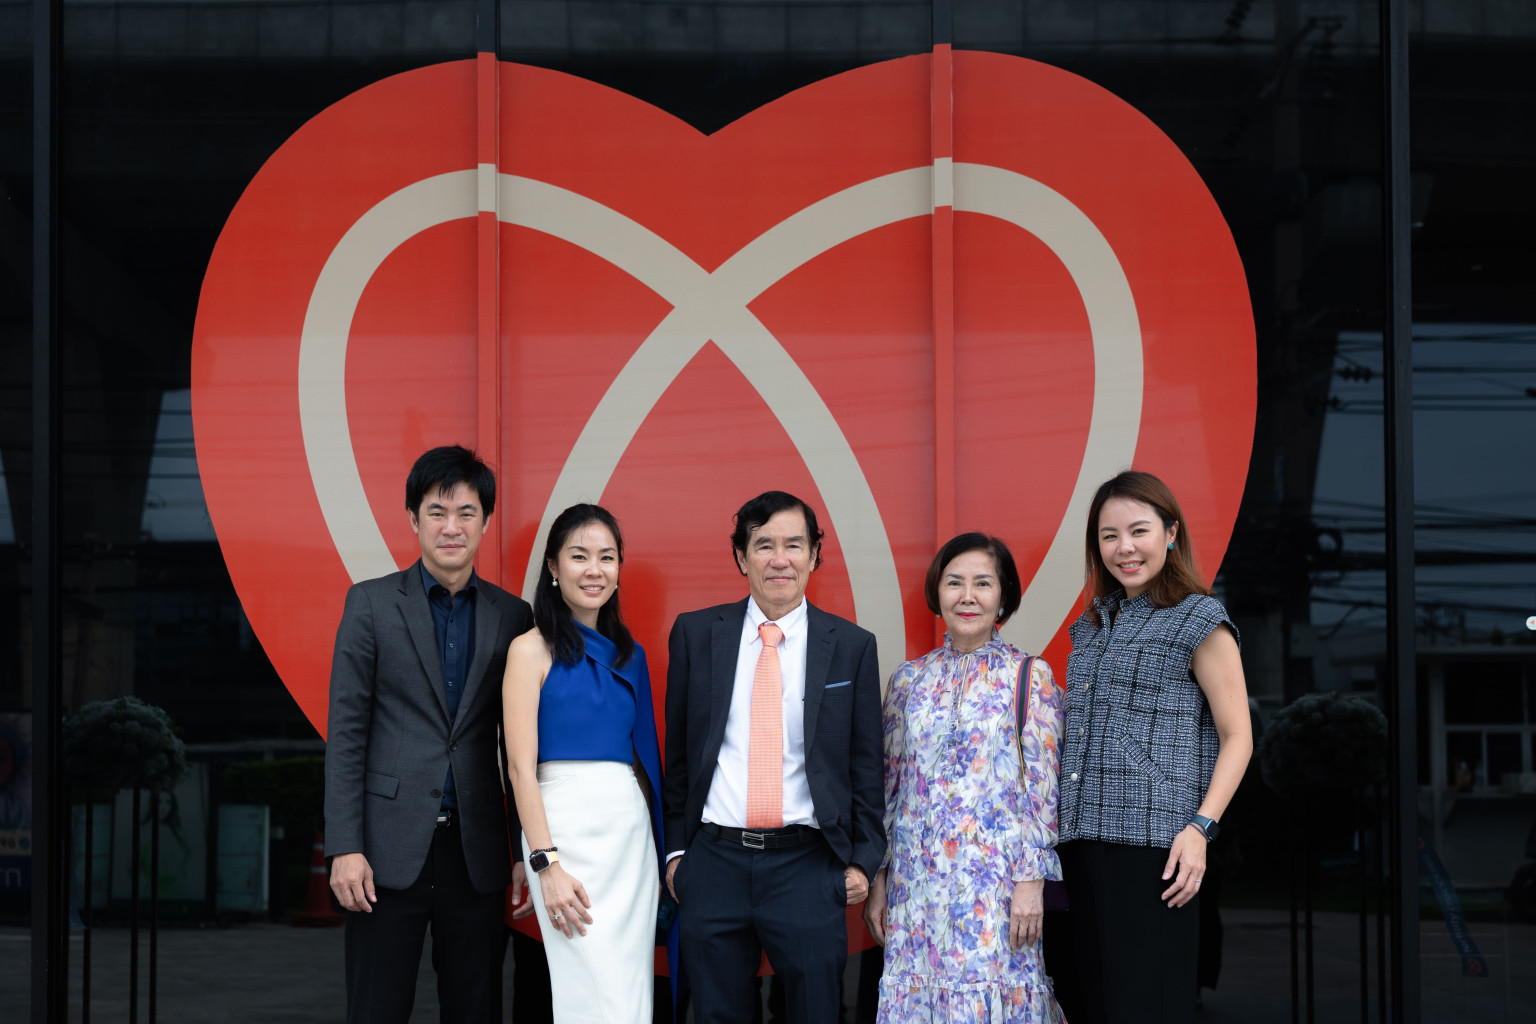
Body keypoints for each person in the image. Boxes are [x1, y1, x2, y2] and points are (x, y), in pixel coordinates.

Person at [324, 445, 534, 1024]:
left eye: (467, 513)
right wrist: (345, 846)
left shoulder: (512, 616)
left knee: (475, 1009)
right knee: (377, 1009)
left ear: (485, 522)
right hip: (384, 851)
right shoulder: (370, 604)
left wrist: (523, 850)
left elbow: (519, 744)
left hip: (476, 851)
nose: (451, 526)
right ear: (413, 519)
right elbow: (346, 733)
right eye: (437, 512)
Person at [663, 490, 882, 1024]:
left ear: (814, 555)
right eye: (763, 545)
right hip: (714, 863)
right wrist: (677, 855)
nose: (779, 559)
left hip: (808, 865)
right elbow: (680, 754)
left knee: (814, 1013)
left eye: (794, 545)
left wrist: (862, 859)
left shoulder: (851, 645)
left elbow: (865, 764)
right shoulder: (696, 634)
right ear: (742, 557)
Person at [1059, 471, 1253, 1024]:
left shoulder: (1199, 618)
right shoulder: (1092, 626)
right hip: (1080, 841)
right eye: (1109, 536)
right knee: (1092, 1004)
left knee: (1145, 1004)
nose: (1124, 547)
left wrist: (1200, 829)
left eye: (1138, 531)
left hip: (1155, 846)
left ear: (1170, 534)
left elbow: (1238, 736)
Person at [863, 533, 1066, 1023]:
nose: (967, 596)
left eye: (983, 583)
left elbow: (1043, 793)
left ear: (1004, 596)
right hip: (917, 888)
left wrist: (1031, 883)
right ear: (937, 592)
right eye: (954, 583)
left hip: (995, 889)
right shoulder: (908, 681)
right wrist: (879, 878)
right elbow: (890, 787)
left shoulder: (1029, 676)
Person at [502, 504, 667, 1023]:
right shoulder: (529, 650)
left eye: (607, 557)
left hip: (630, 841)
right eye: (579, 556)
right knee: (588, 995)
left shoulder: (630, 656)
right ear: (553, 567)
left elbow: (644, 767)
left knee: (630, 997)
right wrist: (544, 864)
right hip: (564, 837)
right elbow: (520, 770)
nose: (594, 570)